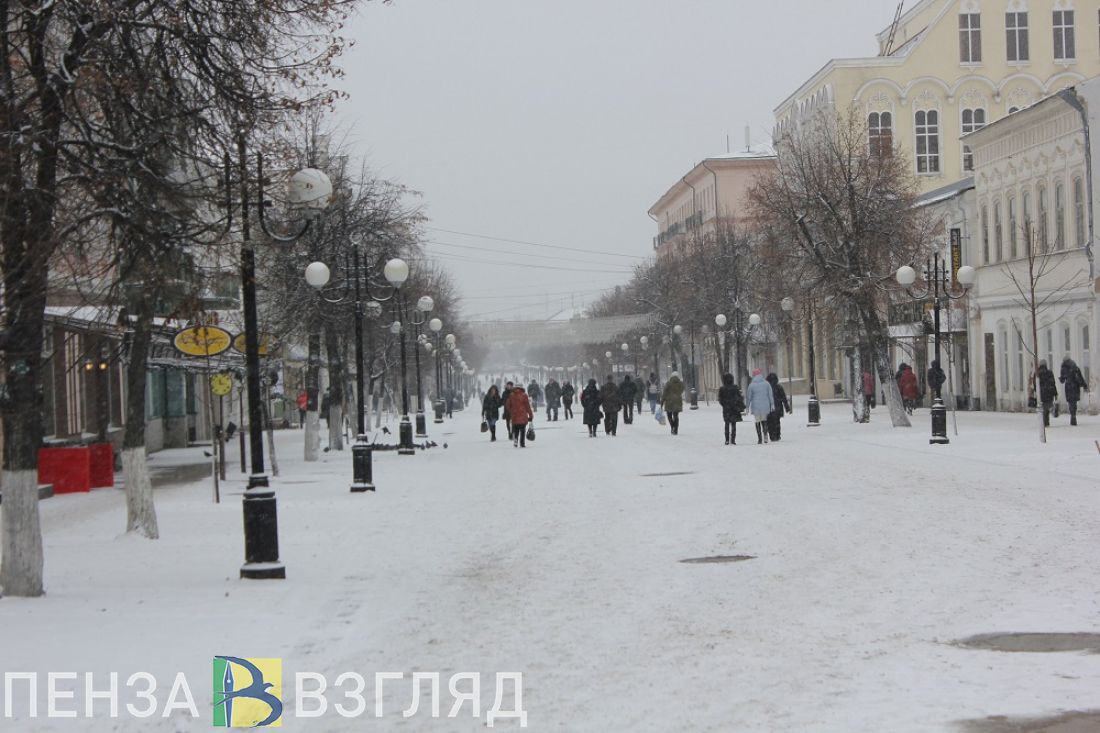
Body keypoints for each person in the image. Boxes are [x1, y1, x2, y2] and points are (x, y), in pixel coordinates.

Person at [746, 368, 775, 444]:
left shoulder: (751, 385)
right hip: (765, 405)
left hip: (756, 406)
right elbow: (770, 395)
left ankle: (759, 438)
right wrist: (772, 404)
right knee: (764, 420)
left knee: (757, 421)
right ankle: (765, 435)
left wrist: (747, 406)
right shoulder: (766, 384)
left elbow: (749, 397)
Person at [1059, 356, 1089, 426]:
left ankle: (1072, 415)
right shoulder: (1075, 367)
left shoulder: (1064, 368)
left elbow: (1062, 380)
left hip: (1068, 387)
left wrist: (1061, 378)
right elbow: (1080, 377)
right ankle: (1073, 415)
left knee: (1070, 402)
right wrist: (1085, 386)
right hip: (1075, 387)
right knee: (1074, 402)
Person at [717, 373, 745, 445]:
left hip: (726, 409)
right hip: (734, 408)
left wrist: (725, 404)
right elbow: (739, 397)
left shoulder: (722, 389)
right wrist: (736, 404)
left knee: (727, 423)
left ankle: (727, 439)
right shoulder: (735, 388)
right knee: (733, 424)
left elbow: (720, 399)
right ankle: (733, 439)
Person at [765, 372, 791, 441]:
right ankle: (777, 434)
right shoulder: (779, 387)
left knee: (769, 422)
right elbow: (783, 398)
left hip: (768, 408)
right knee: (777, 421)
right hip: (777, 407)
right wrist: (787, 407)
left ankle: (772, 435)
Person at [1037, 360, 1058, 427]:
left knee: (1043, 407)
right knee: (1047, 406)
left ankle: (1044, 420)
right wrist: (1055, 393)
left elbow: (1035, 384)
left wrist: (1036, 391)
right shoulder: (1049, 372)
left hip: (1041, 392)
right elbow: (1053, 383)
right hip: (1049, 392)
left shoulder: (1038, 373)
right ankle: (1046, 420)